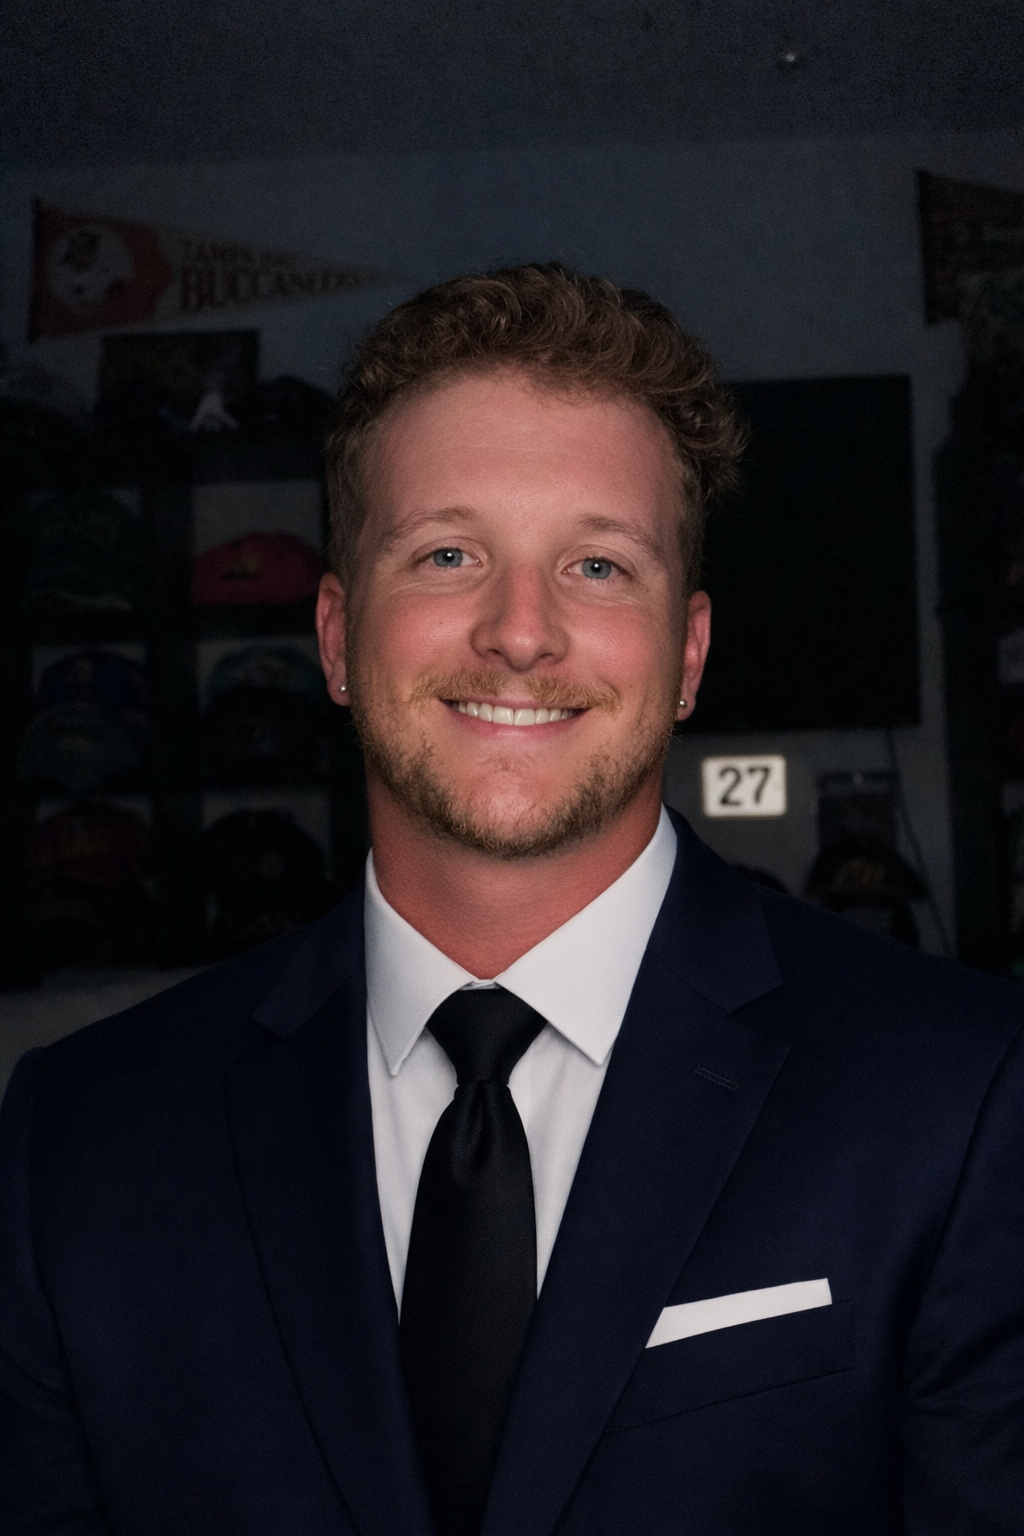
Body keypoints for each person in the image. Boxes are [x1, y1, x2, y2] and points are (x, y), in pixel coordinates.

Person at [1, 263, 1022, 1536]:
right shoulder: (79, 1142)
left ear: (690, 651)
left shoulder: (963, 1091)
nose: (521, 631)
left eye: (597, 565)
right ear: (332, 636)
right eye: (446, 553)